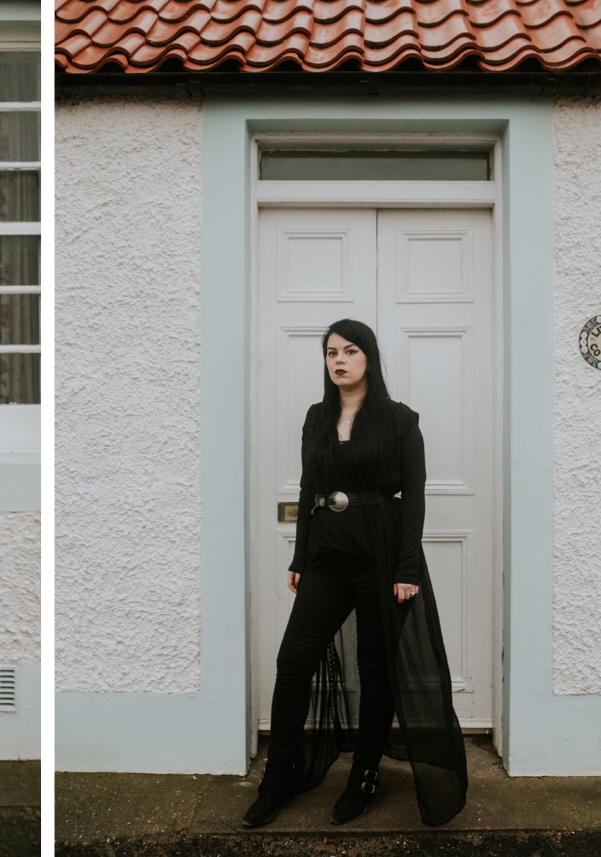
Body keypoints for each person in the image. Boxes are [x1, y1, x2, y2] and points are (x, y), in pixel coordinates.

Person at [241, 319, 467, 829]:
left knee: (375, 668)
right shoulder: (317, 417)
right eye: (331, 353)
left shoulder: (400, 420)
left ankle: (364, 775)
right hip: (327, 558)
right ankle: (277, 778)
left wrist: (407, 567)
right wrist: (300, 557)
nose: (338, 360)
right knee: (293, 661)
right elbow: (308, 490)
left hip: (382, 559)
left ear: (369, 358)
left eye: (349, 351)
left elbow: (414, 496)